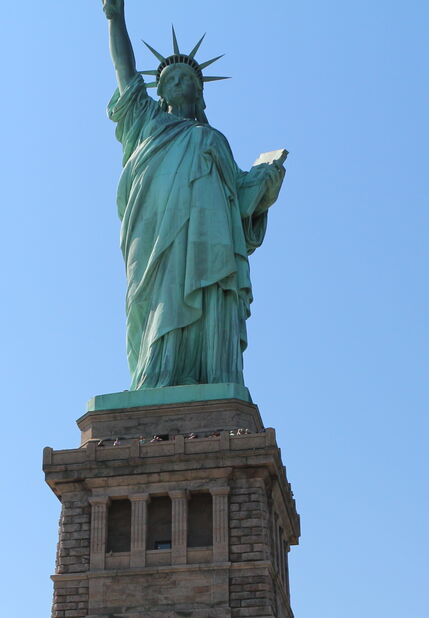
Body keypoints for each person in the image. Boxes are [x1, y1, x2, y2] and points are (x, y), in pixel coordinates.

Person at [101, 0, 286, 391]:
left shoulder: (214, 140)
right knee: (156, 302)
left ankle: (212, 376)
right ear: (162, 91)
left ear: (200, 92)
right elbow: (125, 73)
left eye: (188, 79)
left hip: (210, 242)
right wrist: (116, 17)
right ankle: (156, 377)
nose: (180, 83)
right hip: (156, 239)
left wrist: (266, 178)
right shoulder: (147, 122)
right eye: (171, 80)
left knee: (211, 294)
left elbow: (240, 198)